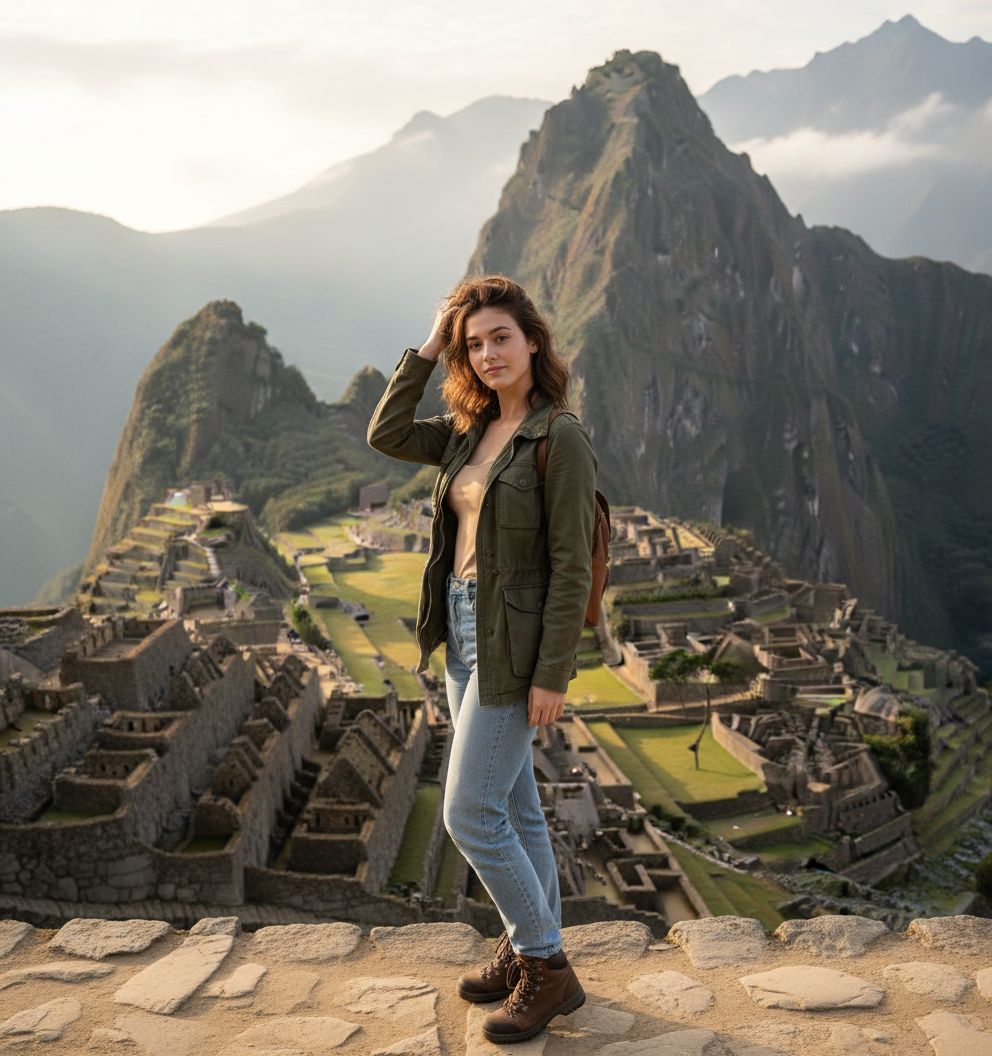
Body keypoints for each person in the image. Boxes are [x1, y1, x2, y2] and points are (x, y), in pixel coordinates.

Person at [367, 275, 597, 1044]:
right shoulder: (466, 432)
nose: (488, 353)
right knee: (517, 807)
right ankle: (529, 949)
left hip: (512, 643)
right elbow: (386, 433)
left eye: (501, 337)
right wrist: (430, 345)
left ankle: (545, 965)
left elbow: (571, 566)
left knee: (469, 811)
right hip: (462, 629)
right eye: (475, 343)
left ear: (533, 341)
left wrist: (552, 675)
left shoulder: (558, 437)